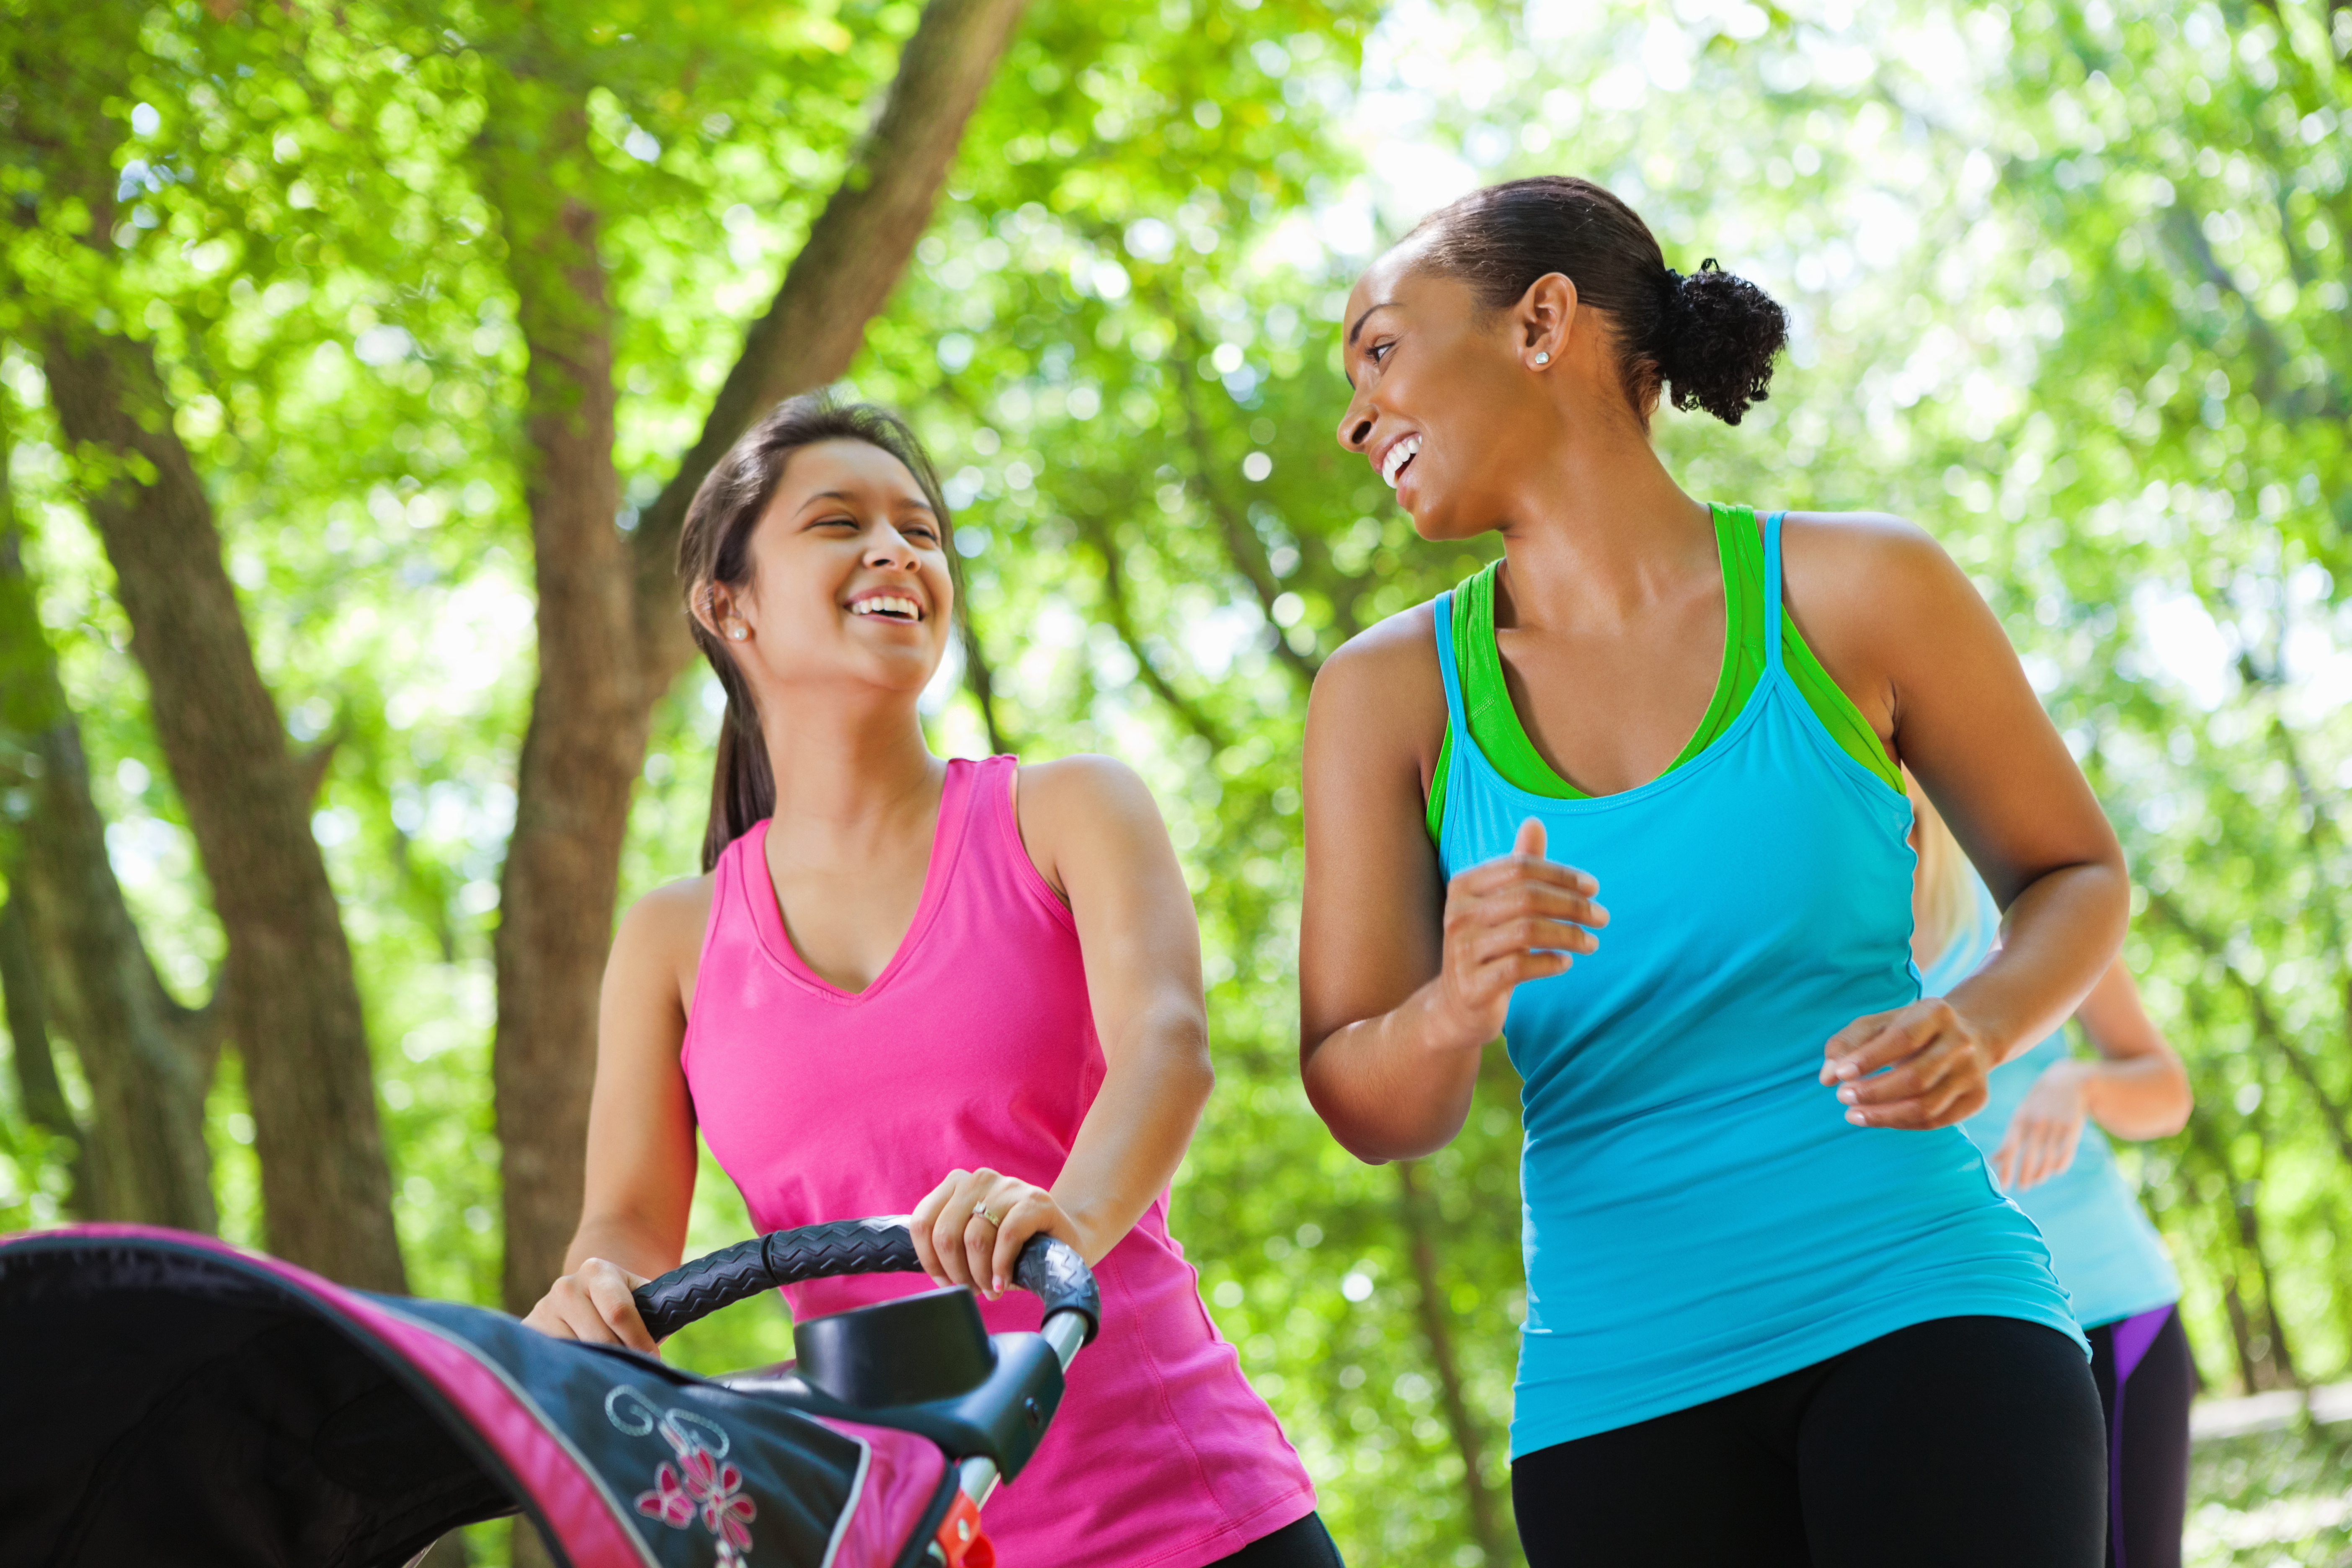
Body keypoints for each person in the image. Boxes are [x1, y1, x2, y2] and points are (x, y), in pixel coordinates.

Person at [1297, 175, 2125, 1566]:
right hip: (1615, 1395)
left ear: (1539, 322)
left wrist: (1979, 1023)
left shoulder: (1856, 588)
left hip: (1923, 1309)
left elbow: (2073, 872)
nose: (1354, 412)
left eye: (1378, 346)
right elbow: (1365, 1101)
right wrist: (1452, 1000)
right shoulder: (1383, 698)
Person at [524, 396, 1337, 1568]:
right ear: (727, 603)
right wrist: (596, 1304)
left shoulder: (1068, 812)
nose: (897, 550)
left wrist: (1071, 1215)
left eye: (921, 529)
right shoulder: (670, 940)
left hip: (1194, 1516)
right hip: (913, 1538)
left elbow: (1168, 1048)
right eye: (840, 522)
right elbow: (628, 1224)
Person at [1912, 780, 2195, 1568]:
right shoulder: (1815, 939)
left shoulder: (2021, 903)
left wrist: (2083, 1084)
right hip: (1959, 1332)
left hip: (2110, 1305)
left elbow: (2166, 1090)